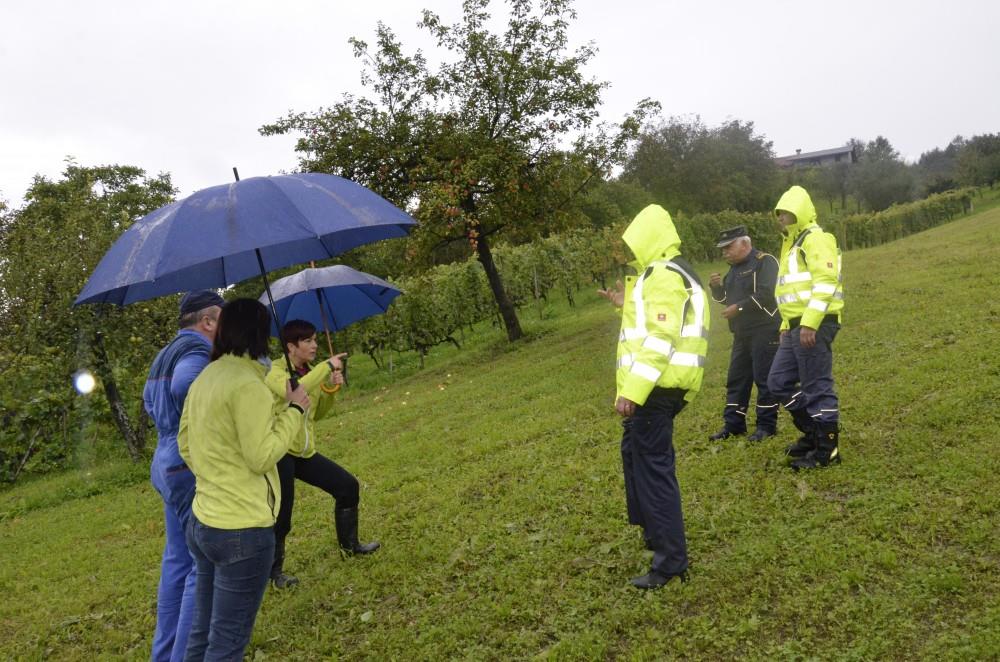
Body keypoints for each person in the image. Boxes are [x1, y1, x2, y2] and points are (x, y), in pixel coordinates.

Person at [177, 299, 310, 661]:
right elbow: (261, 456)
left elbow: (185, 443)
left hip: (203, 521)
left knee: (202, 632)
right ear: (259, 334)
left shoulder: (206, 377)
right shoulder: (248, 385)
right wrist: (295, 410)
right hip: (242, 530)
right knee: (226, 642)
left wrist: (216, 474)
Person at [597, 204, 709, 590]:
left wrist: (633, 391)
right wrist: (622, 307)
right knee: (634, 454)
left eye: (634, 241)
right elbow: (654, 324)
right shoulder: (673, 271)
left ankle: (670, 563)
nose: (631, 249)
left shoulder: (662, 273)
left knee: (654, 471)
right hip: (663, 386)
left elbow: (662, 338)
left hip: (657, 388)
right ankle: (652, 530)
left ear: (648, 237)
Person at [264, 319, 380, 588]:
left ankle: (350, 546)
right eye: (308, 341)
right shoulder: (274, 371)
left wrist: (331, 388)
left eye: (315, 339)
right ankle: (273, 574)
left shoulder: (310, 371)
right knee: (282, 516)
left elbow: (317, 414)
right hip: (280, 451)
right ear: (291, 347)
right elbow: (293, 391)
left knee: (347, 486)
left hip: (304, 452)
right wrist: (327, 366)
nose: (315, 345)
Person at [143, 290, 224, 662]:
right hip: (187, 462)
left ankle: (163, 654)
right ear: (207, 321)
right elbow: (185, 385)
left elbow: (149, 401)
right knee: (201, 564)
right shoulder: (196, 351)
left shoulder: (165, 353)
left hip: (164, 461)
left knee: (177, 560)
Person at [766, 186, 845, 470]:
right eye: (778, 214)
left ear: (798, 212)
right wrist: (786, 323)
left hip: (815, 323)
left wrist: (810, 322)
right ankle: (813, 432)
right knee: (778, 382)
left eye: (785, 213)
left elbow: (825, 281)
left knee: (816, 386)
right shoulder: (792, 244)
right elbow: (791, 291)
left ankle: (827, 450)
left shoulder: (816, 238)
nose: (780, 218)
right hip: (795, 325)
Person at [707, 226, 781, 442]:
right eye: (723, 249)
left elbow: (767, 294)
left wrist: (739, 308)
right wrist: (716, 288)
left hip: (765, 330)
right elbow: (726, 301)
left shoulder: (765, 262)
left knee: (763, 378)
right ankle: (734, 425)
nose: (725, 253)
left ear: (745, 244)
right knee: (737, 379)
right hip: (741, 333)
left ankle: (766, 426)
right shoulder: (733, 270)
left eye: (728, 247)